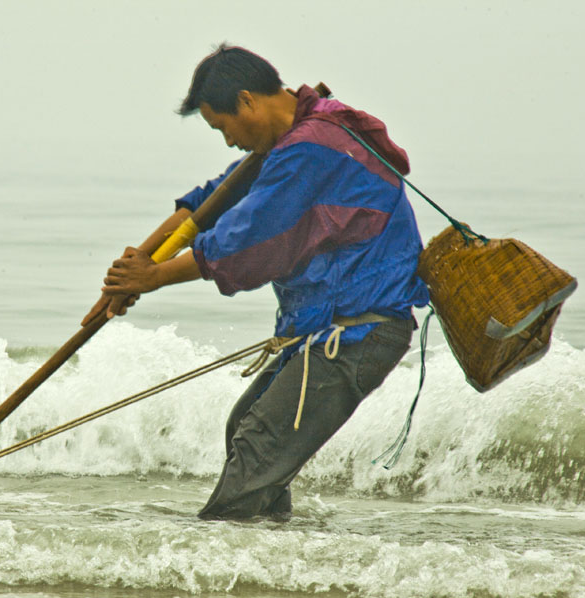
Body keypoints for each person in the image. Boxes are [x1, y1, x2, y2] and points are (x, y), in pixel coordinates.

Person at [83, 44, 429, 520]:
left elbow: (245, 242)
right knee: (244, 426)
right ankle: (269, 569)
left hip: (357, 330)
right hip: (326, 329)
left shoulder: (312, 147)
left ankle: (218, 563)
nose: (228, 143)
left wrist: (155, 277)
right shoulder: (293, 139)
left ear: (246, 100)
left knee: (258, 444)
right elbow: (208, 205)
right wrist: (134, 268)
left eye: (222, 127)